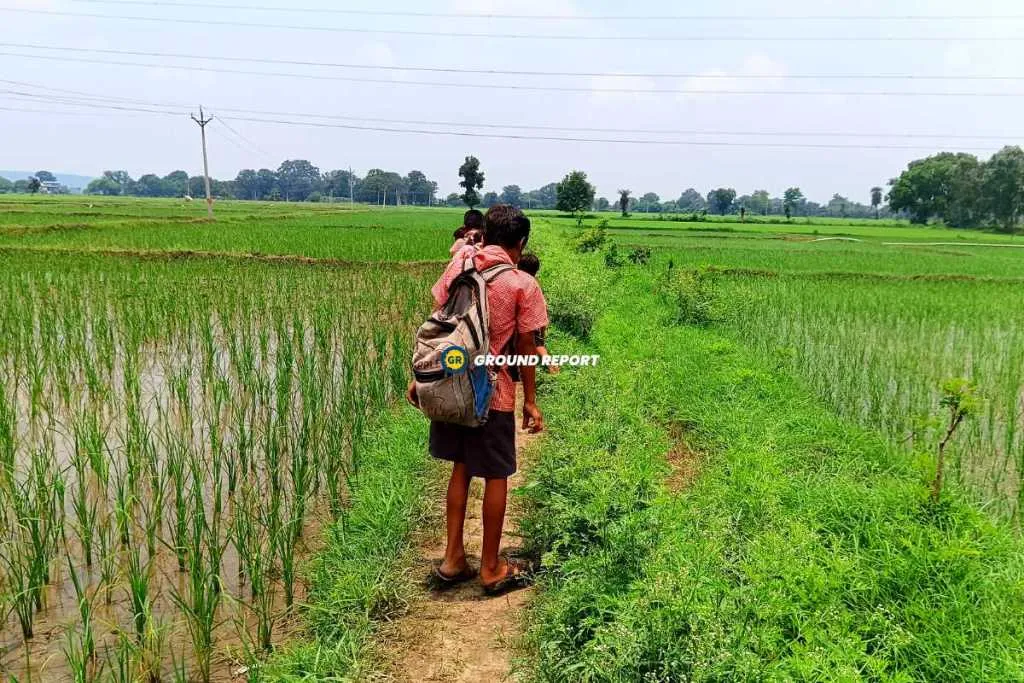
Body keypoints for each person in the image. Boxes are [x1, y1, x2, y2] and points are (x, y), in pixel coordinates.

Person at [408, 204, 547, 596]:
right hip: (492, 393)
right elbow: (525, 346)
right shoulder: (522, 283)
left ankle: (453, 559)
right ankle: (491, 567)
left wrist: (417, 378)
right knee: (497, 476)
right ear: (521, 243)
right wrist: (530, 401)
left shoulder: (460, 268)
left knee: (461, 468)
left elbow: (440, 323)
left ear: (484, 233)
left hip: (450, 387)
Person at [516, 253, 558, 374]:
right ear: (536, 270)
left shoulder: (517, 281)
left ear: (518, 267)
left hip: (523, 321)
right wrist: (543, 332)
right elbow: (543, 306)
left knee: (532, 344)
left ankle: (550, 364)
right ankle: (551, 364)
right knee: (538, 344)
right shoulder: (535, 284)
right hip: (535, 320)